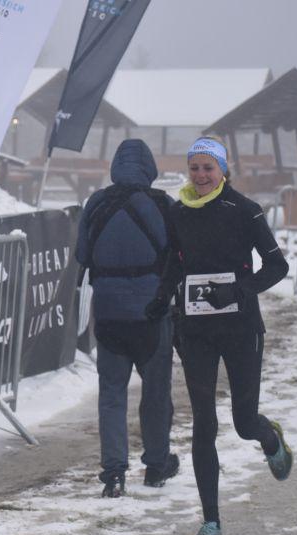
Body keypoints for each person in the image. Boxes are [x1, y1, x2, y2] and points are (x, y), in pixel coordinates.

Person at [145, 137, 292, 535]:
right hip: (195, 331)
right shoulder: (177, 212)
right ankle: (211, 524)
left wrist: (239, 290)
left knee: (243, 423)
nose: (201, 175)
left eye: (208, 168)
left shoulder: (245, 210)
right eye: (194, 168)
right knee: (203, 424)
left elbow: (277, 265)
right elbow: (175, 261)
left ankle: (269, 438)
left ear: (223, 170)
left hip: (241, 329)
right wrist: (161, 298)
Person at [76, 139, 180, 498]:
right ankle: (156, 465)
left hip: (108, 314)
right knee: (156, 394)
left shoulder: (96, 204)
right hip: (153, 315)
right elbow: (177, 257)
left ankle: (114, 473)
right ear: (150, 169)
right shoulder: (163, 205)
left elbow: (82, 254)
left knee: (111, 395)